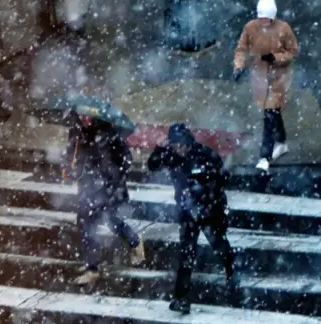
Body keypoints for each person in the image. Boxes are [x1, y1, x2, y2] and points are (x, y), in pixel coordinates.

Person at [147, 123, 238, 315]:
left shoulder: (204, 154)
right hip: (188, 212)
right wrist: (158, 148)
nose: (178, 149)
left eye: (181, 144)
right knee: (187, 254)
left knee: (218, 244)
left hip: (209, 209)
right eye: (175, 145)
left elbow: (224, 177)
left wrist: (204, 182)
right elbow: (152, 165)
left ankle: (231, 268)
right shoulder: (171, 156)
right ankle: (181, 298)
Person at [63, 112, 145, 285]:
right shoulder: (76, 132)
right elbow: (71, 155)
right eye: (81, 116)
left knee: (109, 222)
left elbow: (125, 161)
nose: (84, 119)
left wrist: (108, 176)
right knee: (87, 225)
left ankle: (133, 242)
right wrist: (70, 168)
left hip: (107, 188)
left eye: (87, 116)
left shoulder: (109, 134)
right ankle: (91, 266)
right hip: (87, 187)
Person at [232, 0, 299, 172]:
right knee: (272, 112)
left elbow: (293, 52)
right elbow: (241, 49)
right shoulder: (250, 28)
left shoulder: (284, 29)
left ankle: (264, 156)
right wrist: (238, 67)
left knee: (269, 113)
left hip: (279, 77)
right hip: (260, 76)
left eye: (267, 18)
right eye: (261, 17)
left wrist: (276, 58)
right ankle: (282, 142)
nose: (264, 22)